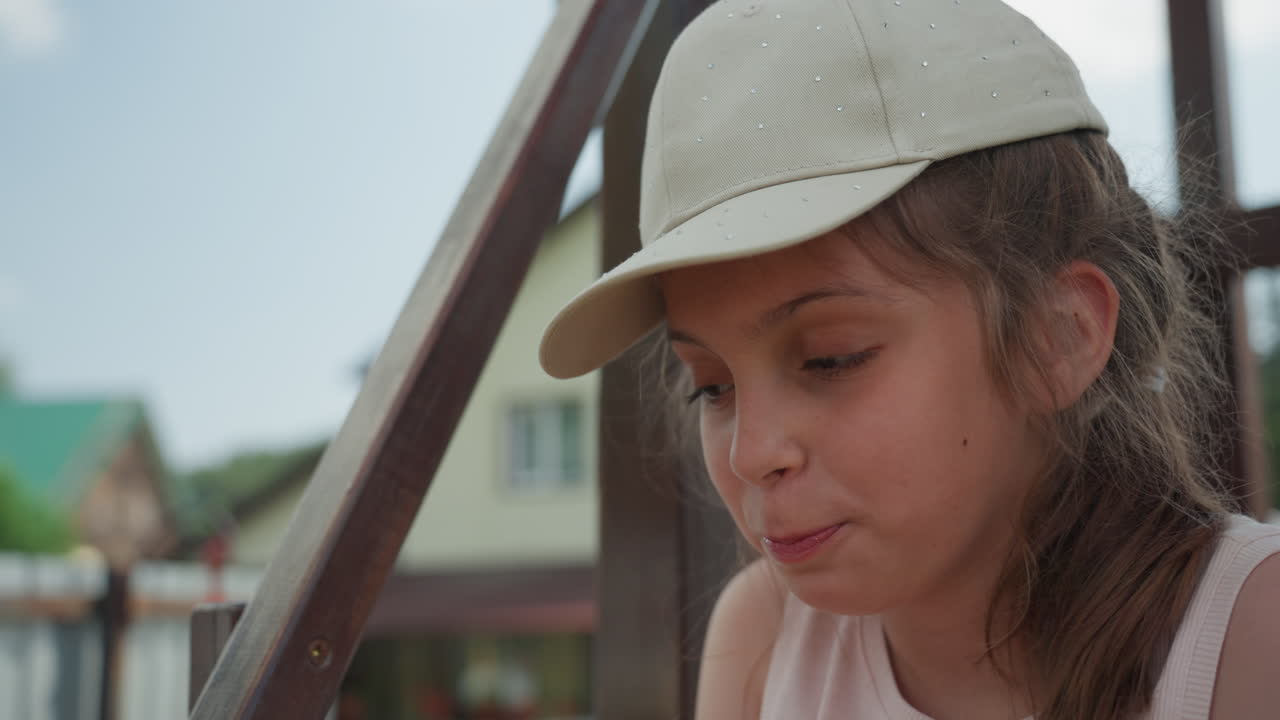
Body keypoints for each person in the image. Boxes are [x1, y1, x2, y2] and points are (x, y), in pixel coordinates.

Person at [538, 1, 1280, 718]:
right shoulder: (762, 644)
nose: (752, 452)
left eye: (832, 359)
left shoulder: (1246, 638)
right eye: (713, 386)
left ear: (1059, 337)